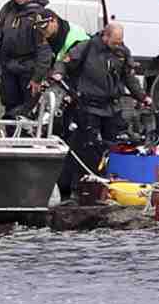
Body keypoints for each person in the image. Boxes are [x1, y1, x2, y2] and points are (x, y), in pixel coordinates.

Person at [57, 19, 138, 184]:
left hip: (112, 107)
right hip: (88, 107)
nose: (118, 45)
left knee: (112, 144)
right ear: (105, 37)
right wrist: (58, 72)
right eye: (115, 42)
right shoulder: (86, 47)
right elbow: (64, 62)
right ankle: (83, 182)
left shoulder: (122, 52)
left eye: (120, 42)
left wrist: (142, 97)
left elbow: (129, 78)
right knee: (87, 146)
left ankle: (107, 179)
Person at [0, 0, 58, 122]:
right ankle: (10, 136)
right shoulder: (8, 9)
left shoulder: (39, 14)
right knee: (9, 105)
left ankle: (26, 140)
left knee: (27, 109)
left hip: (29, 68)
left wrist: (38, 77)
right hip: (9, 66)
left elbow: (44, 50)